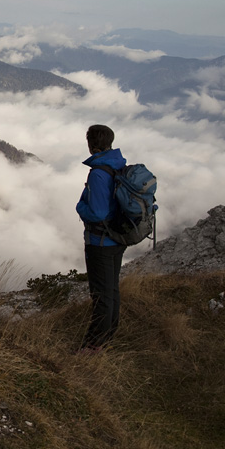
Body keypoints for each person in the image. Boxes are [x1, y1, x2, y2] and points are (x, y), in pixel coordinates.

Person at [75, 124, 127, 354]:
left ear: (90, 144)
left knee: (101, 296)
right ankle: (107, 339)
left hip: (101, 243)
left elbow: (97, 213)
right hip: (118, 239)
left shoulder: (98, 173)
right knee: (111, 291)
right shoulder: (118, 163)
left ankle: (94, 346)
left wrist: (79, 206)